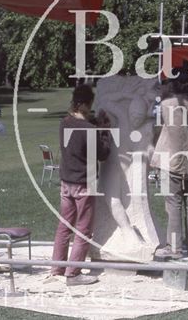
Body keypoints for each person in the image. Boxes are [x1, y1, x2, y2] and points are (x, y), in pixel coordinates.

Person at [50, 85, 111, 286]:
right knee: (83, 230)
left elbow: (80, 126)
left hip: (66, 182)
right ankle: (73, 273)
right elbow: (103, 154)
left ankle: (57, 268)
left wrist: (95, 124)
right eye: (90, 105)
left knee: (64, 226)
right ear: (85, 104)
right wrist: (105, 131)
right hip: (84, 184)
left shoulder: (64, 123)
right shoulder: (89, 130)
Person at [151, 69, 188, 258]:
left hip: (171, 162)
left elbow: (154, 126)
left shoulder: (166, 105)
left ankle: (175, 249)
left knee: (174, 206)